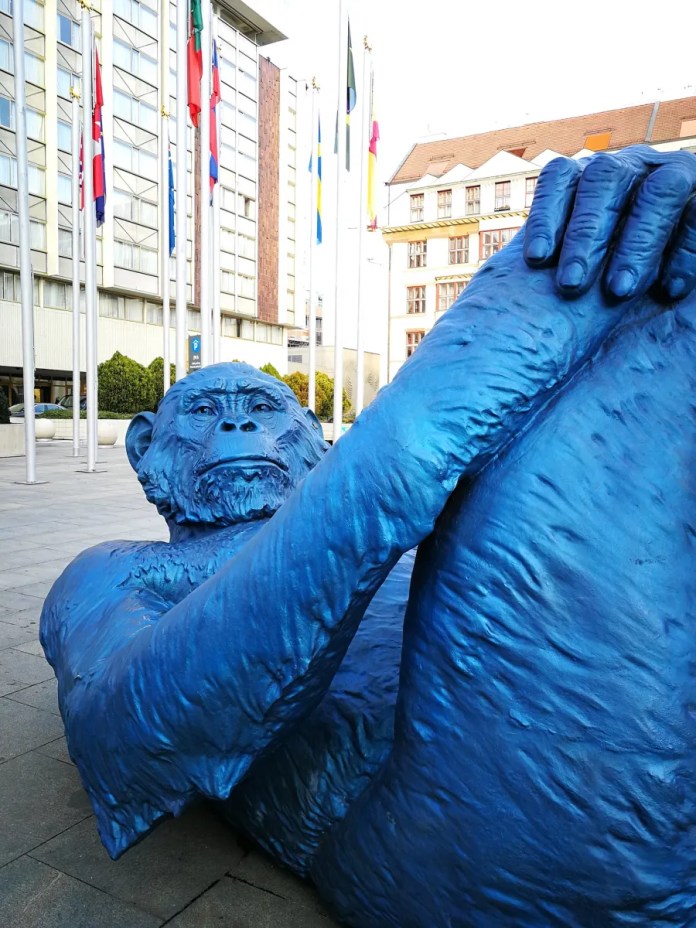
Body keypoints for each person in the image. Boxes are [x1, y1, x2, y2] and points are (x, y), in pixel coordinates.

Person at [41, 146, 696, 927]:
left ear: (314, 438)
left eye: (263, 407)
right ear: (146, 447)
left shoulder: (393, 527)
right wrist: (391, 459)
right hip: (438, 821)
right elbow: (119, 729)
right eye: (208, 413)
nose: (242, 423)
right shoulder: (119, 571)